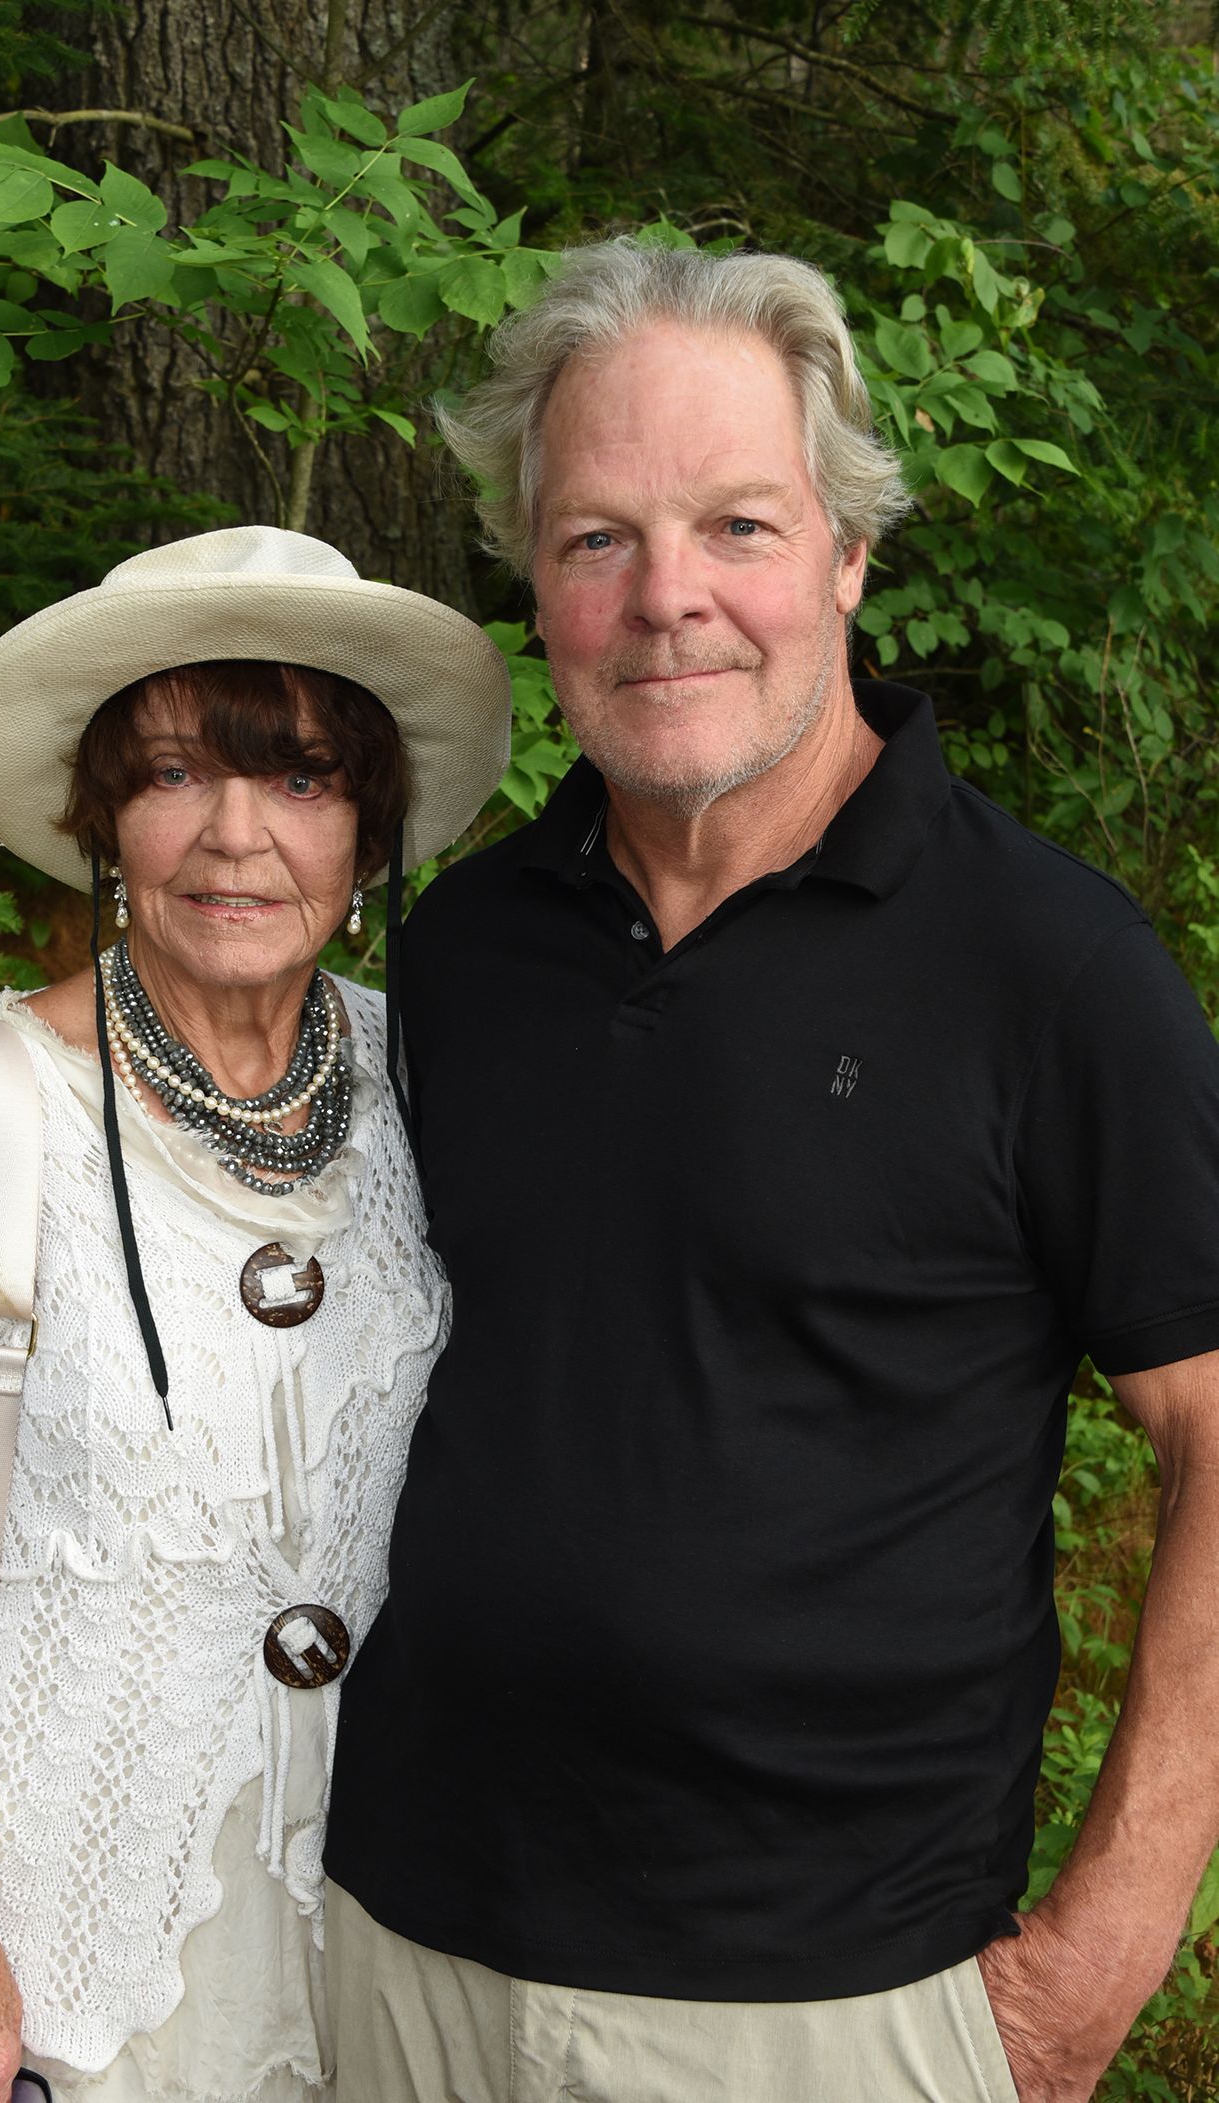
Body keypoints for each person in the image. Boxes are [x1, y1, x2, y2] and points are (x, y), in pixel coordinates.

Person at [322, 240, 1219, 2103]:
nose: (669, 601)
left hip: (824, 2009)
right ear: (534, 583)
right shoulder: (468, 952)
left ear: (847, 555)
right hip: (395, 1956)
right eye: (596, 540)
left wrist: (1101, 1955)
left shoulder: (1050, 972)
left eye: (737, 524)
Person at [0, 525, 510, 2103]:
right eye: (175, 775)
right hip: (43, 1975)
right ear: (105, 824)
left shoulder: (432, 1076)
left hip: (377, 1946)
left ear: (369, 833)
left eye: (300, 779)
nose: (236, 837)